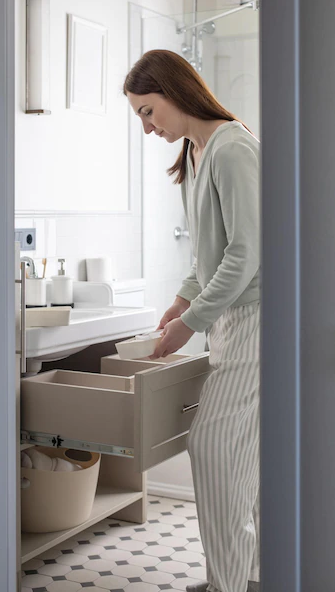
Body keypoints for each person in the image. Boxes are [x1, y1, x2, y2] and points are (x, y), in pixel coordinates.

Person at [123, 49, 260, 592]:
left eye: (147, 110)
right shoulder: (195, 153)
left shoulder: (232, 148)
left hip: (254, 319)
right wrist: (183, 300)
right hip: (229, 320)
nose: (146, 125)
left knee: (213, 446)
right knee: (244, 456)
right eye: (139, 115)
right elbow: (209, 254)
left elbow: (248, 252)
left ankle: (230, 583)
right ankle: (244, 575)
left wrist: (192, 320)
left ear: (176, 92)